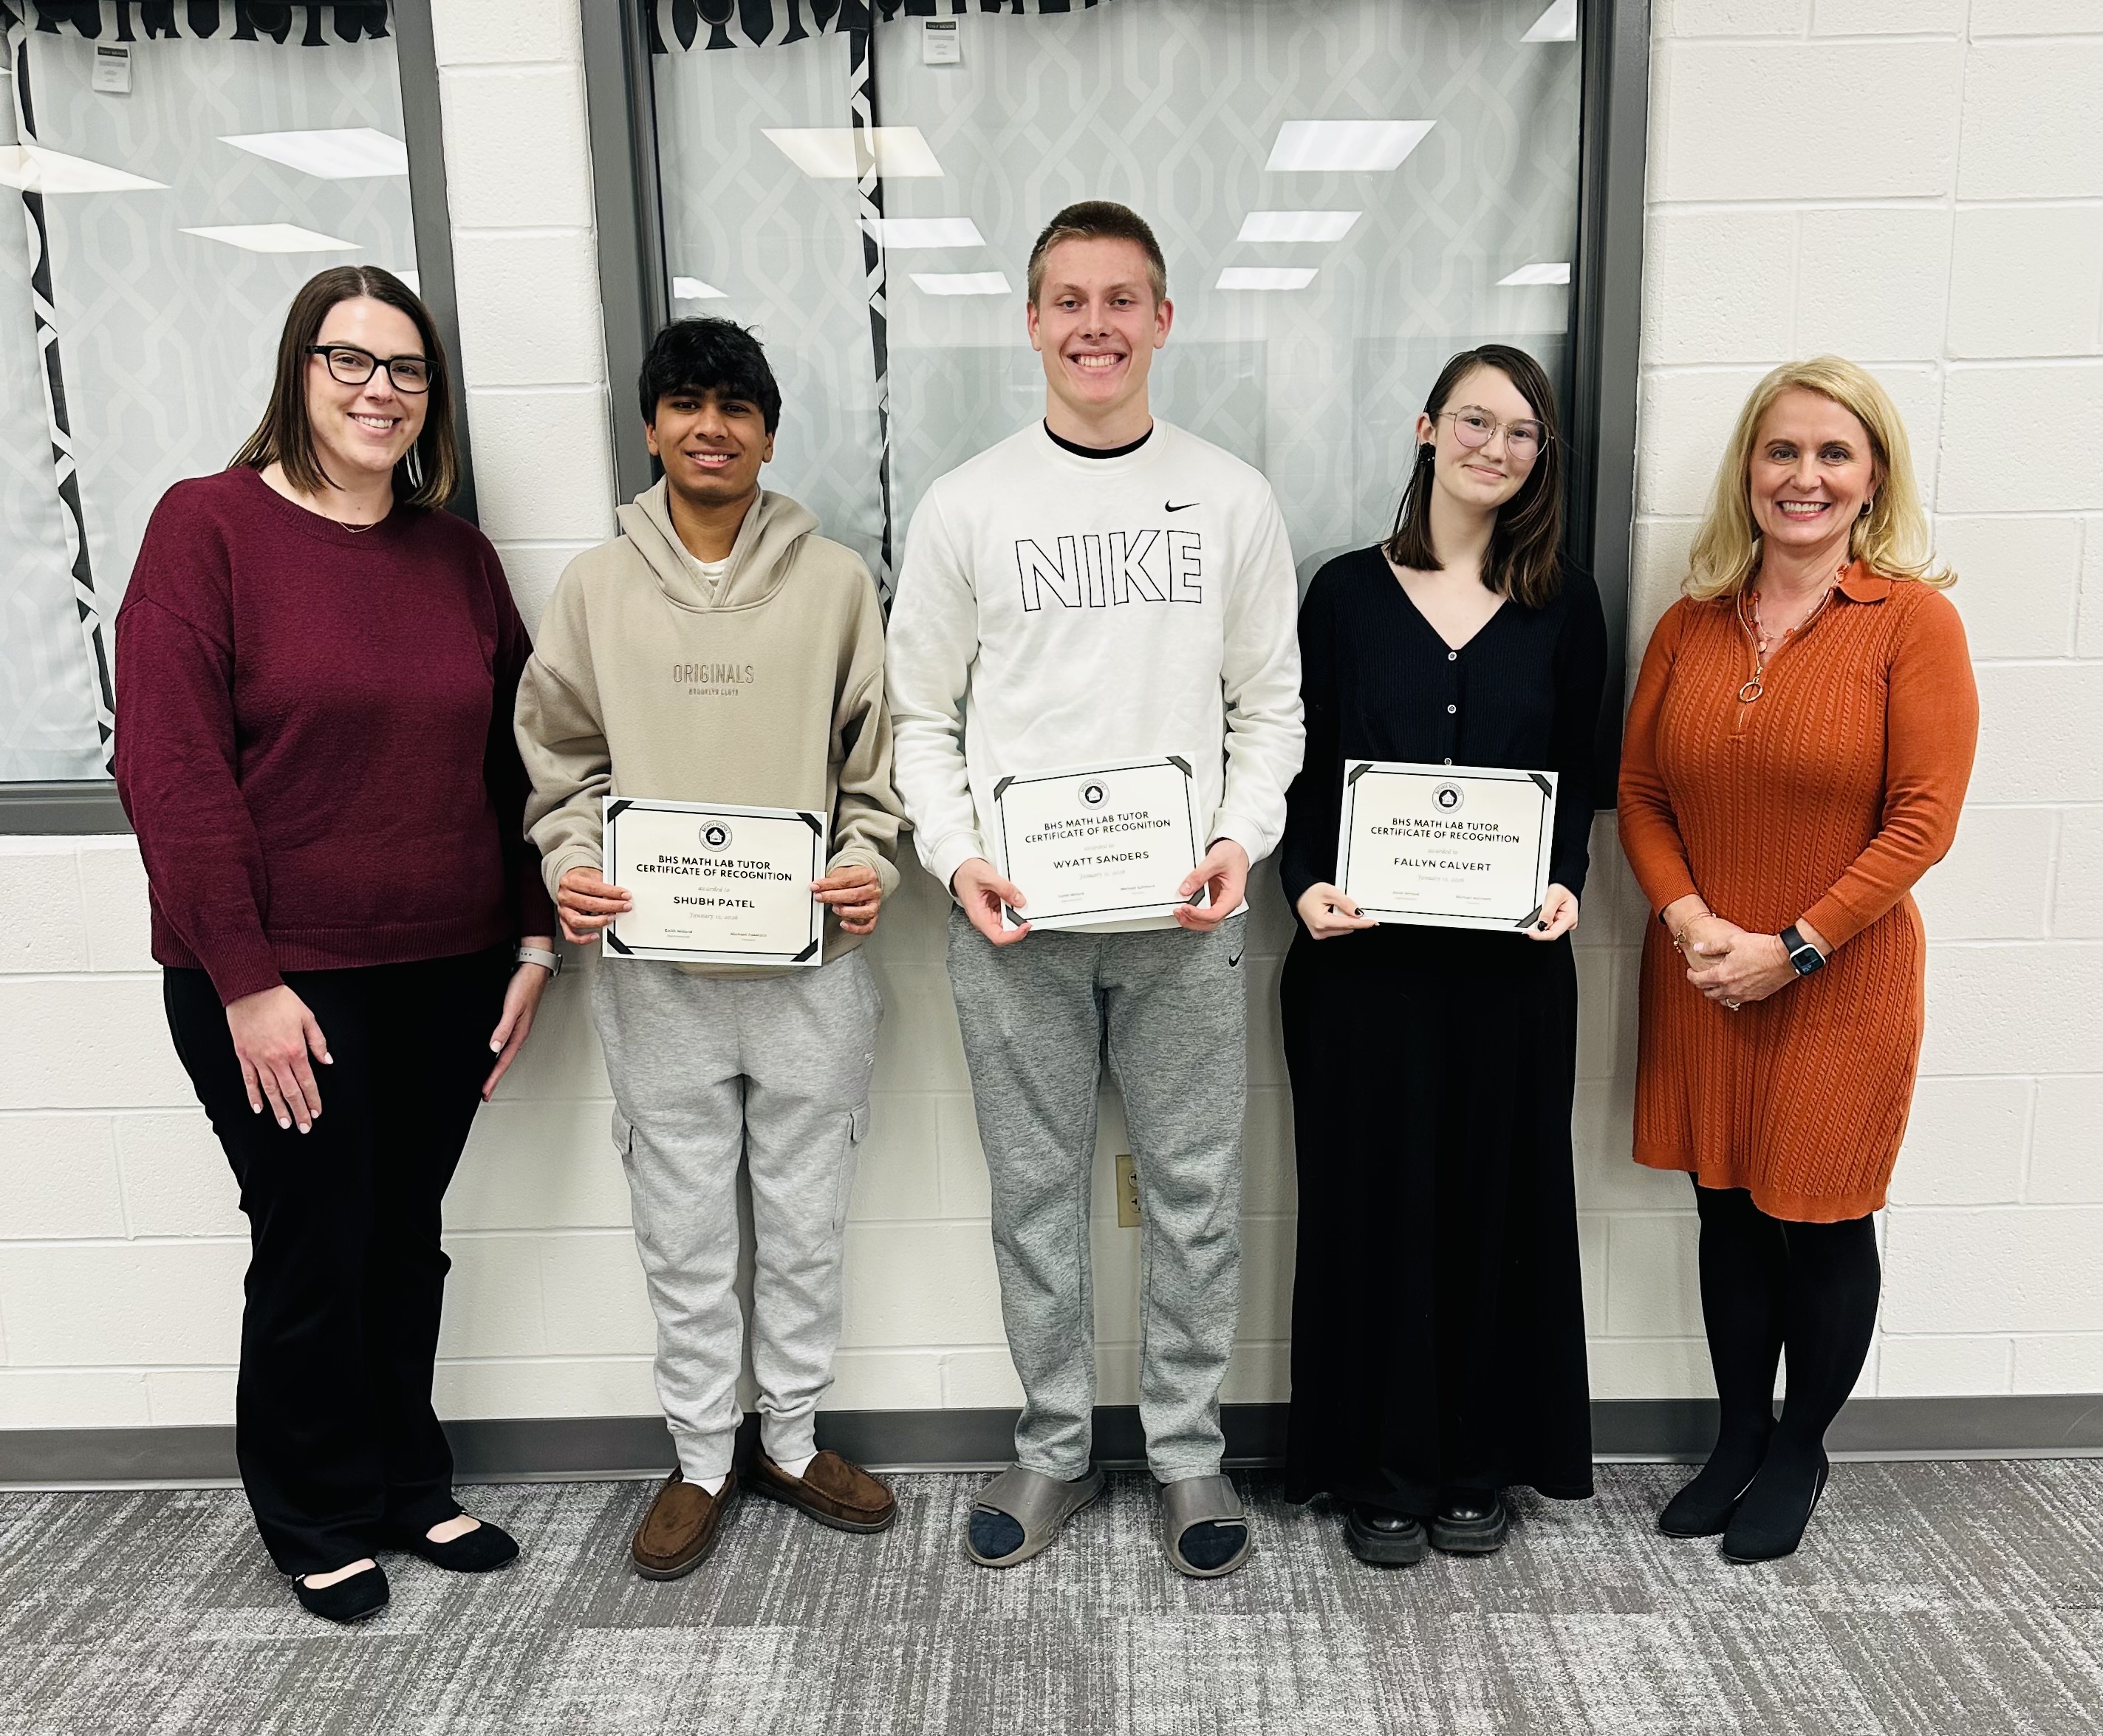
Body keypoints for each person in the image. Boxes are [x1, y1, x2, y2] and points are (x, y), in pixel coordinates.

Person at [112, 266, 557, 1624]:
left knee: (404, 1237)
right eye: (349, 360)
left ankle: (408, 1480)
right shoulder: (207, 527)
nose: (380, 390)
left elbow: (517, 760)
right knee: (313, 1242)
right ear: (298, 371)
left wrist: (535, 935)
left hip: (450, 966)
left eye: (406, 369)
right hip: (277, 978)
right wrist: (245, 980)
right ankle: (314, 1509)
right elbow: (169, 770)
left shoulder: (455, 558)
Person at [886, 201, 1304, 1579]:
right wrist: (956, 857)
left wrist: (1241, 838)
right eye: (1069, 300)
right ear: (1031, 321)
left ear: (1164, 319)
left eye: (1123, 300)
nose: (1096, 327)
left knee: (1197, 1192)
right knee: (1033, 1195)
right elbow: (920, 717)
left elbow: (1270, 707)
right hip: (1018, 926)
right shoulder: (968, 504)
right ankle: (1054, 1444)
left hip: (1189, 920)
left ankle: (1188, 1451)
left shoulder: (1231, 499)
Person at [516, 318, 906, 1582]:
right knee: (681, 1233)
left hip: (811, 972)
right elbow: (561, 763)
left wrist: (869, 864)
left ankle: (788, 1440)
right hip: (657, 977)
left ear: (768, 434)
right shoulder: (595, 589)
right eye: (686, 403)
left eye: (735, 407)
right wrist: (572, 865)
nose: (711, 427)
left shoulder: (836, 584)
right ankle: (699, 1457)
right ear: (651, 427)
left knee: (805, 1224)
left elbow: (876, 769)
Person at [1619, 355, 1977, 1564]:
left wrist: (1795, 945)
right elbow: (1641, 791)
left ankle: (1800, 1448)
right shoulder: (1691, 622)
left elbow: (1923, 819)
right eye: (1782, 451)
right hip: (1704, 973)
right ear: (1748, 471)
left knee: (1819, 1218)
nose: (1805, 476)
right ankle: (1738, 1436)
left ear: (1873, 478)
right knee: (1725, 1206)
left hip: (1841, 980)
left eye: (1834, 453)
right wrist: (1690, 923)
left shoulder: (1912, 622)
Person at [1276, 346, 1607, 1566]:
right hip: (1360, 968)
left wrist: (1565, 881)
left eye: (1523, 433)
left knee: (1493, 1207)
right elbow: (1299, 761)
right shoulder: (1343, 594)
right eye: (1475, 420)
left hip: (1510, 971)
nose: (1495, 448)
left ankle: (1477, 1462)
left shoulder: (1567, 604)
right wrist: (1302, 880)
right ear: (1426, 428)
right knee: (1373, 1211)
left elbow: (1579, 773)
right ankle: (1381, 1466)